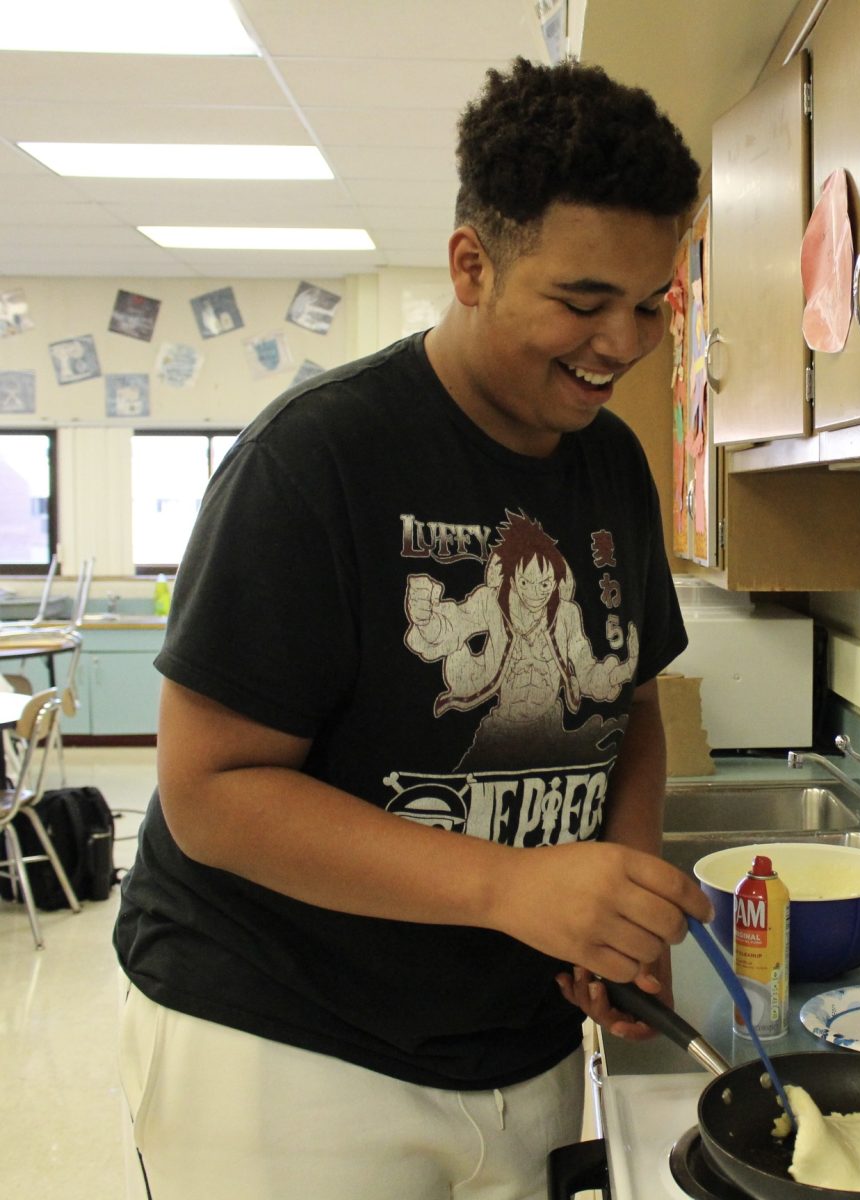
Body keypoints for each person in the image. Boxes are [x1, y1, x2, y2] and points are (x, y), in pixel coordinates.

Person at [115, 56, 711, 1200]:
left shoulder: (614, 469)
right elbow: (211, 792)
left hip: (517, 1038)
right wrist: (510, 887)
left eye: (652, 303)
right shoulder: (315, 462)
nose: (622, 342)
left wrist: (617, 894)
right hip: (283, 1047)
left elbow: (629, 704)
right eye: (583, 302)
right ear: (471, 264)